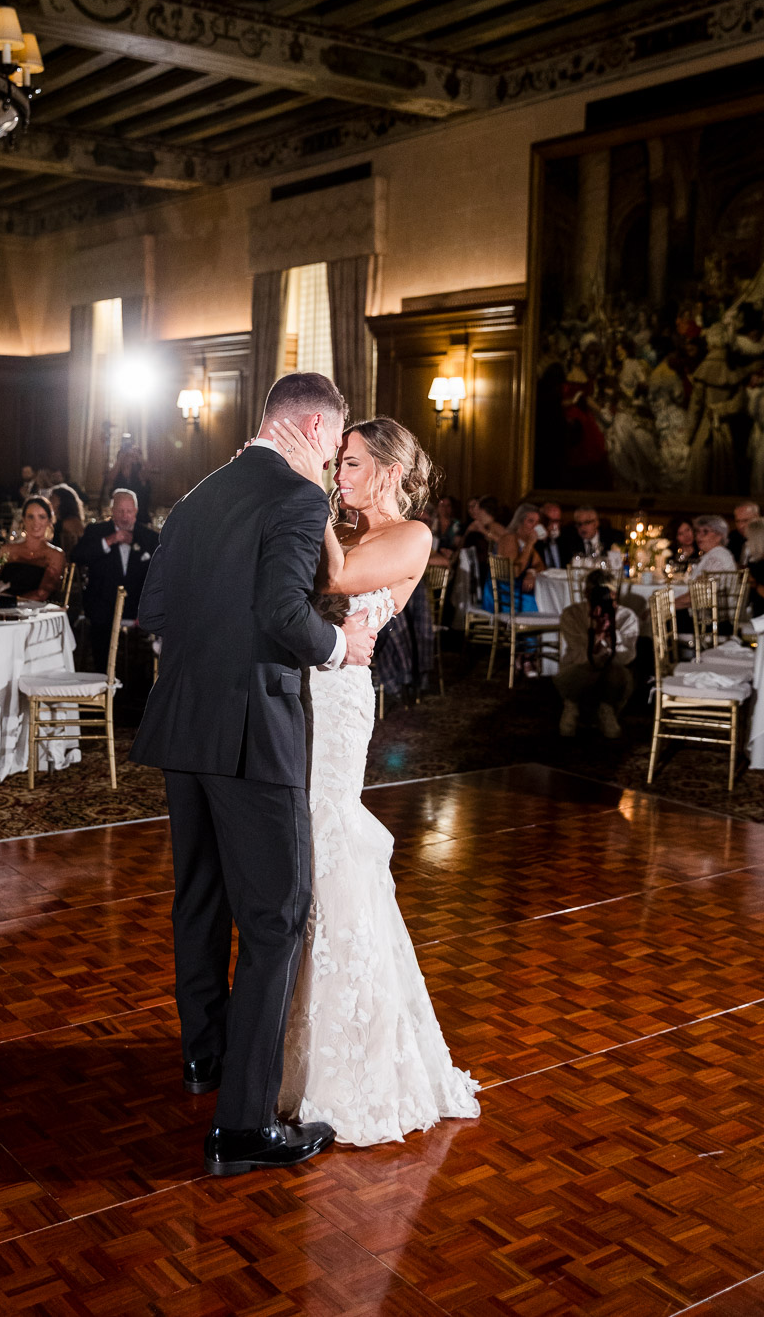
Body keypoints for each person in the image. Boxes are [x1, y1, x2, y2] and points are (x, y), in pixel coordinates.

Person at [130, 371, 378, 1178]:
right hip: (253, 735)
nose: (331, 465)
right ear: (310, 429)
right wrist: (342, 648)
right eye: (334, 446)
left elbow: (155, 610)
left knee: (198, 898)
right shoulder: (298, 500)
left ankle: (205, 1057)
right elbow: (279, 612)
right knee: (275, 920)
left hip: (184, 725)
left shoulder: (201, 493)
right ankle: (242, 1128)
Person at [268, 412, 480, 1145]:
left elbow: (335, 578)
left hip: (338, 708)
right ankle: (285, 1047)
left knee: (332, 854)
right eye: (337, 463)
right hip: (294, 696)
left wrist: (300, 489)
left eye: (352, 464)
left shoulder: (409, 537)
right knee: (298, 859)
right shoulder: (340, 521)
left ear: (391, 471)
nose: (339, 476)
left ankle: (350, 1057)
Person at [73, 487, 159, 668]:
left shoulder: (149, 537)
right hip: (102, 603)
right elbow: (77, 556)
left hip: (137, 605)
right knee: (100, 622)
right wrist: (110, 540)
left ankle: (141, 684)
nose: (125, 516)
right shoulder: (96, 531)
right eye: (120, 511)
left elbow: (160, 571)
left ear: (135, 512)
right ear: (112, 511)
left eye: (129, 511)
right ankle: (103, 678)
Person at [555, 570, 639, 740]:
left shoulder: (626, 616)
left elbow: (628, 657)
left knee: (618, 671)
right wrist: (597, 637)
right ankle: (571, 707)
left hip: (611, 677)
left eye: (611, 596)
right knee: (585, 667)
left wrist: (611, 639)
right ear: (587, 594)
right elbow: (580, 655)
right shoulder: (572, 614)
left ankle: (606, 710)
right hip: (578, 675)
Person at [0, 494, 64, 601]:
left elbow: (43, 593)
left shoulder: (55, 555)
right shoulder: (7, 550)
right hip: (0, 607)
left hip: (36, 611)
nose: (35, 522)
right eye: (30, 516)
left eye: (41, 517)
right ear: (23, 519)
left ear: (49, 521)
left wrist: (13, 602)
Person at [110, 445, 152, 525]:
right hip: (120, 515)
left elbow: (148, 473)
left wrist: (139, 457)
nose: (129, 458)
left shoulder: (139, 471)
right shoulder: (118, 473)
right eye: (127, 456)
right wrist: (120, 459)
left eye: (131, 456)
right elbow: (110, 479)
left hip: (140, 514)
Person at [49, 483, 86, 555]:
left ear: (63, 501)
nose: (49, 501)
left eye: (52, 498)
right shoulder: (59, 520)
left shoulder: (70, 522)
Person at [536, 501, 571, 570]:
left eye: (557, 521)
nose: (553, 526)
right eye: (549, 521)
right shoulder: (535, 542)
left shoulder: (566, 539)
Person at [728, 501, 760, 565]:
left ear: (757, 518)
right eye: (737, 521)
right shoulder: (732, 537)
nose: (741, 526)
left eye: (745, 521)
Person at [744, 518, 764, 608]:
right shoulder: (755, 562)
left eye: (748, 538)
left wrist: (755, 585)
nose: (747, 543)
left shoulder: (758, 565)